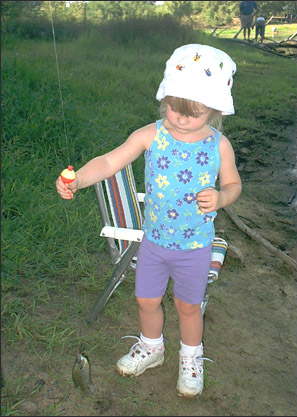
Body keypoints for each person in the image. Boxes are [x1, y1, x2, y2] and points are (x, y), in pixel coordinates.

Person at [56, 44, 242, 398]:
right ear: (164, 98)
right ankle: (152, 346)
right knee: (146, 300)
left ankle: (191, 356)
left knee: (188, 306)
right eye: (174, 107)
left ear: (215, 109)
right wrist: (78, 178)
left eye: (195, 112)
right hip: (154, 242)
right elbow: (110, 162)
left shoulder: (220, 146)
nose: (182, 118)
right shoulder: (150, 135)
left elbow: (233, 184)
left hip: (195, 245)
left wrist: (221, 197)